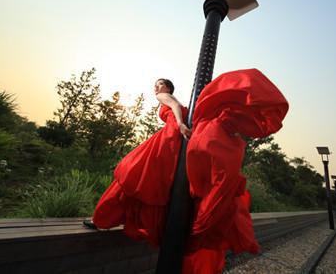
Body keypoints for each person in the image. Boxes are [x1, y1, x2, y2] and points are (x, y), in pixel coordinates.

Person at [85, 69, 289, 274]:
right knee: (149, 182)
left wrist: (181, 124)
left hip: (172, 136)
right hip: (178, 137)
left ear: (167, 87)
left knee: (134, 176)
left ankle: (102, 218)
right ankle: (114, 219)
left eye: (159, 83)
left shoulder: (164, 97)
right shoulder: (180, 102)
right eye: (155, 85)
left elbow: (173, 107)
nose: (155, 87)